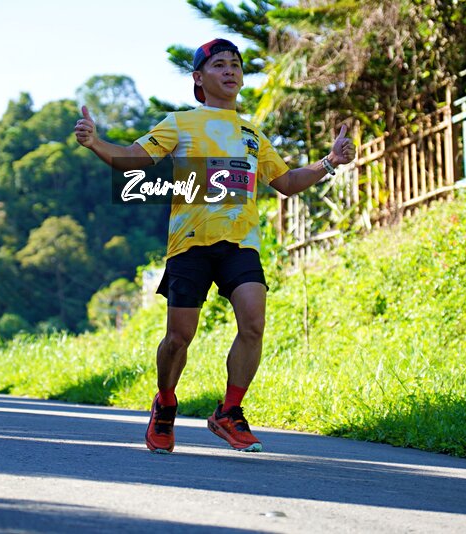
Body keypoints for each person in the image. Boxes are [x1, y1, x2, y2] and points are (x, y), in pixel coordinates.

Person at [75, 38, 355, 454]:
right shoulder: (180, 123)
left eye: (236, 65)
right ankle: (165, 402)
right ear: (199, 78)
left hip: (240, 243)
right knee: (178, 338)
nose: (230, 71)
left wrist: (329, 162)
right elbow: (134, 159)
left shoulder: (252, 133)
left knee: (253, 323)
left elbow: (285, 182)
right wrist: (96, 142)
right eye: (219, 65)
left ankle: (229, 411)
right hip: (190, 244)